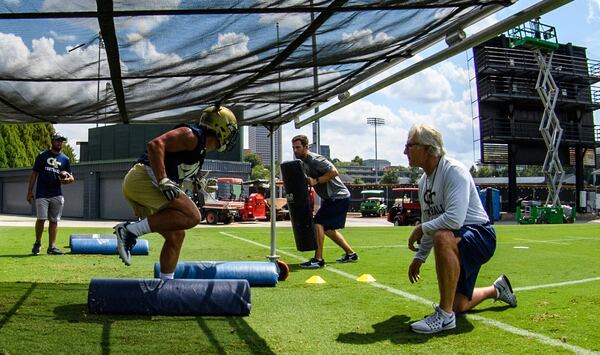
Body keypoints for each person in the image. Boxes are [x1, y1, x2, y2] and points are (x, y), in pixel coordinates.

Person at [404, 124, 517, 334]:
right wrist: (420, 257)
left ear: (428, 148)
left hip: (480, 236)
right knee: (460, 306)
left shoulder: (453, 171)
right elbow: (431, 220)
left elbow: (453, 220)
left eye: (410, 145)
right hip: (456, 239)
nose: (405, 151)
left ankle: (445, 317)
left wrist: (420, 228)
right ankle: (497, 289)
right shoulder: (423, 182)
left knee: (442, 236)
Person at [114, 105, 238, 280]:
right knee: (193, 216)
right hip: (143, 179)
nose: (230, 137)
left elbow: (175, 173)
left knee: (177, 235)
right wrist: (163, 179)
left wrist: (194, 184)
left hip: (145, 182)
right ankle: (129, 231)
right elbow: (155, 145)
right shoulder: (193, 136)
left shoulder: (199, 149)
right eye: (230, 131)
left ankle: (166, 285)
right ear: (221, 127)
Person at [291, 134, 358, 268]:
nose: (295, 150)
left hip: (338, 196)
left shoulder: (315, 159)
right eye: (293, 148)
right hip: (331, 198)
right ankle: (351, 254)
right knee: (327, 229)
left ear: (306, 147)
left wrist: (316, 181)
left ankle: (318, 259)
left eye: (298, 147)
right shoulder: (304, 163)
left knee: (318, 223)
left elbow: (334, 172)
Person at [26, 132, 75, 255]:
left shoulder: (65, 159)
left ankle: (52, 247)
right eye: (57, 140)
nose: (60, 143)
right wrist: (29, 191)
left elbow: (71, 177)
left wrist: (68, 180)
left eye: (61, 141)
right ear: (52, 141)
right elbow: (34, 174)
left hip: (57, 194)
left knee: (54, 221)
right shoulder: (42, 156)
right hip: (42, 193)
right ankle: (37, 243)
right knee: (41, 219)